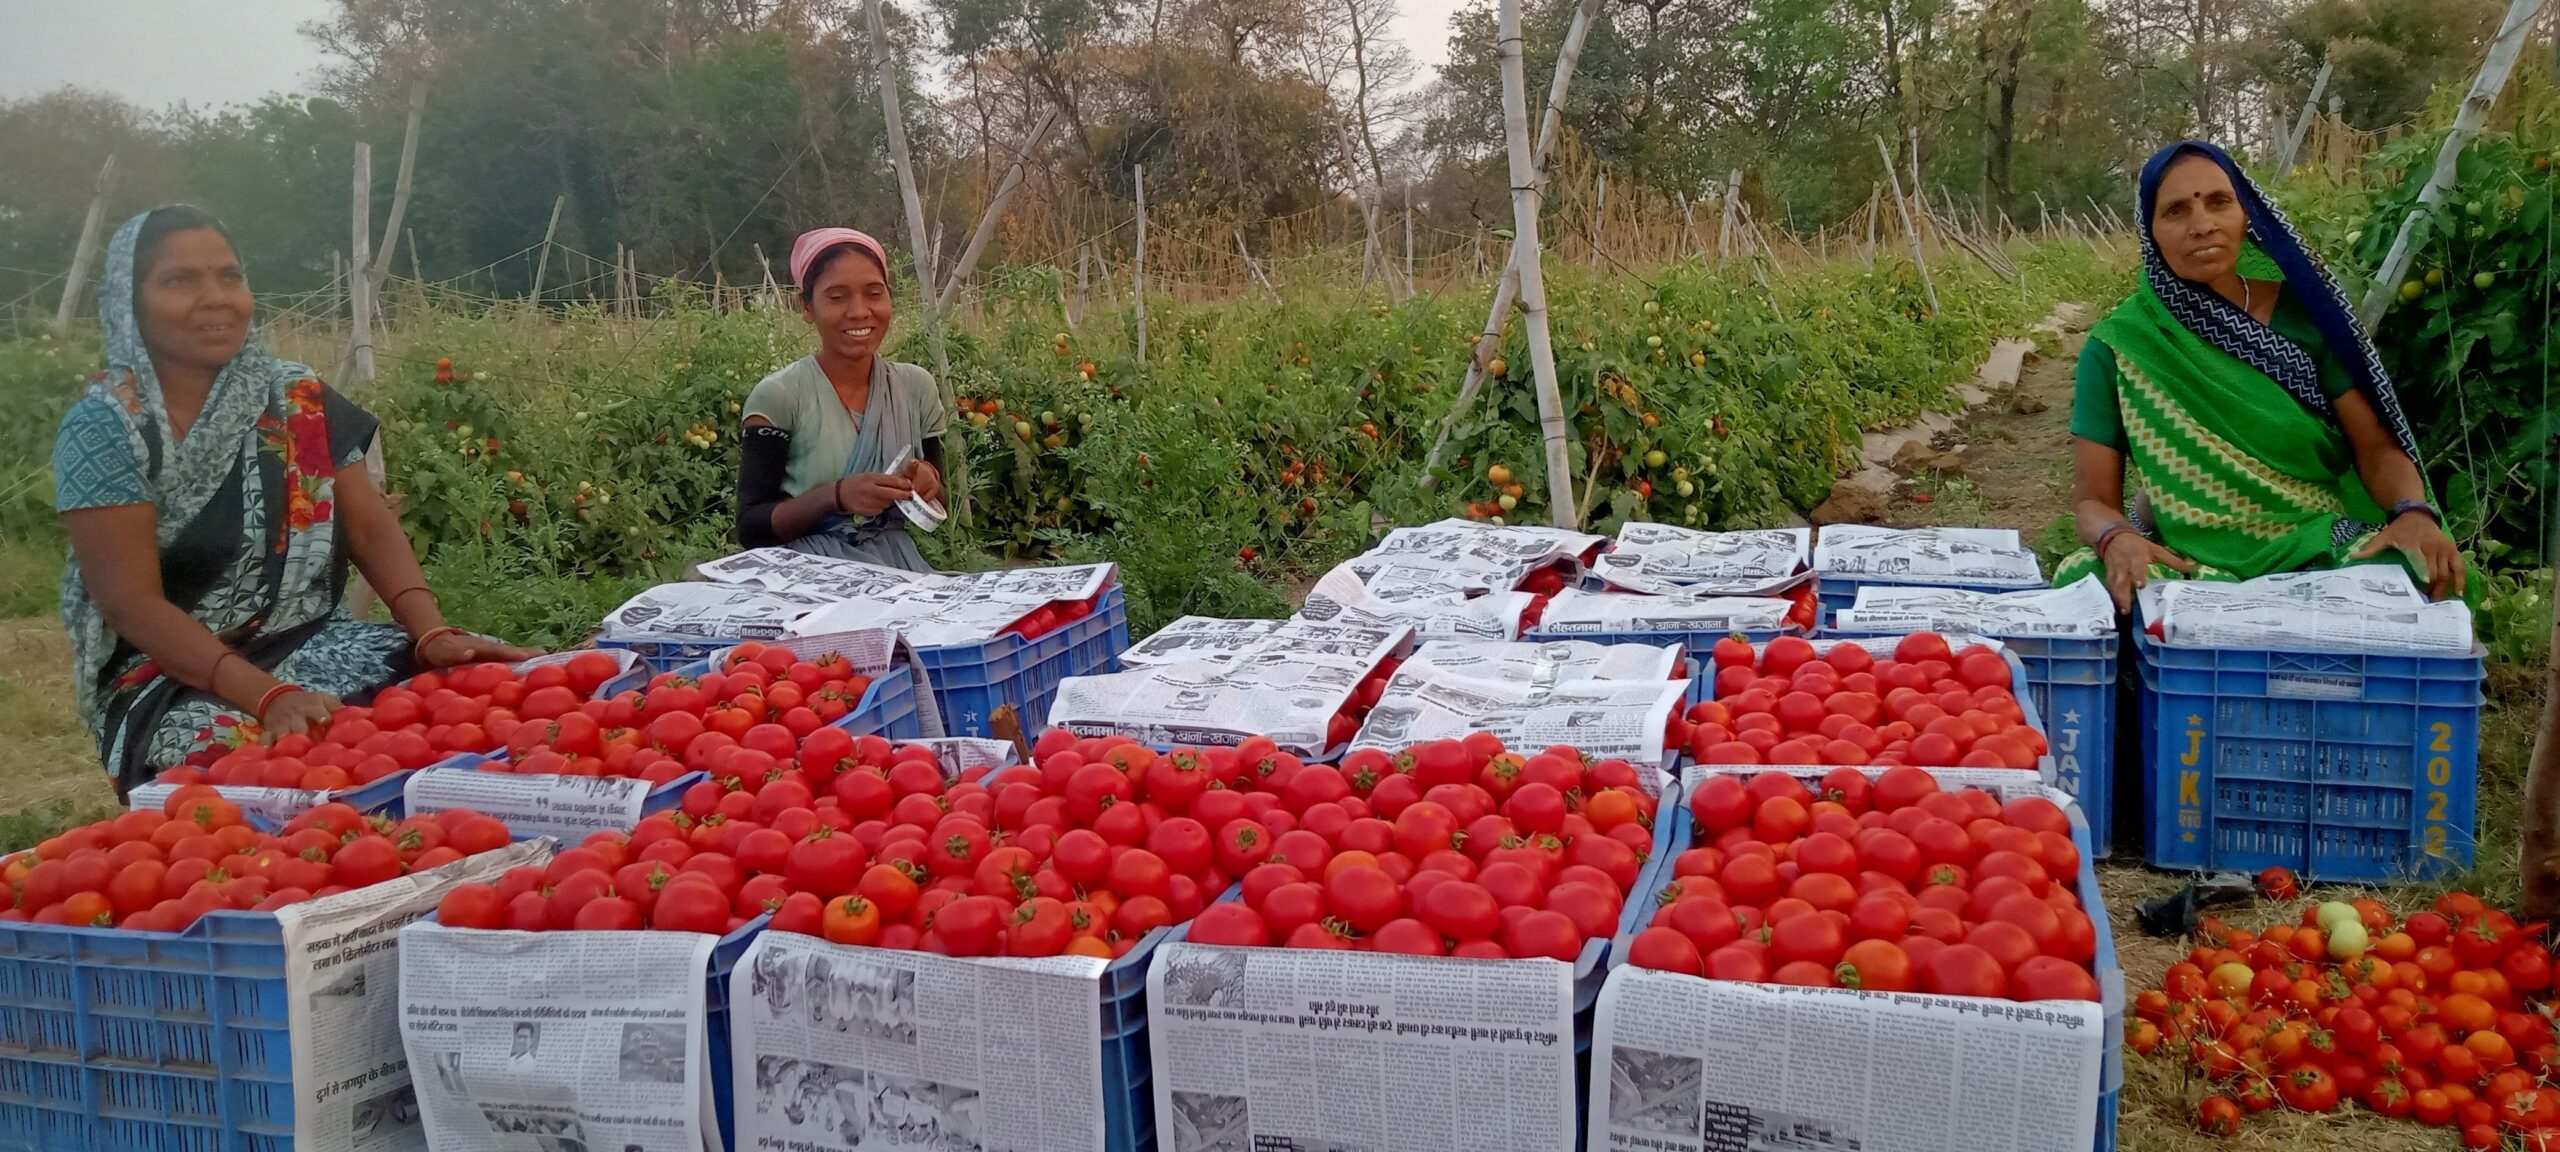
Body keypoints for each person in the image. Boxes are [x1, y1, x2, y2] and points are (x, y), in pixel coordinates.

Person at [53, 206, 534, 791]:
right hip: (174, 677)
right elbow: (130, 603)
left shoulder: (294, 397)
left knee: (485, 693)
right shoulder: (106, 429)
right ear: (128, 301)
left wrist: (431, 631)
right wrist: (269, 695)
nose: (215, 298)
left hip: (311, 640)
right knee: (259, 765)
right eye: (180, 280)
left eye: (229, 276)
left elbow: (369, 528)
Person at [2060, 140, 2464, 611]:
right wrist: (2116, 536)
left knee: (2410, 572)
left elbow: (2375, 449)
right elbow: (2093, 501)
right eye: (2175, 210)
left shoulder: (2308, 318)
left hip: (2315, 546)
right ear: (2150, 231)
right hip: (2190, 561)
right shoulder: (2120, 344)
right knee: (2085, 576)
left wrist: (2411, 512)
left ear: (2246, 214)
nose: (2202, 224)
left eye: (2219, 202)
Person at [734, 227, 948, 571]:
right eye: (837, 297)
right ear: (806, 306)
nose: (859, 311)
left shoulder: (915, 387)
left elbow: (941, 500)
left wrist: (927, 481)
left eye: (874, 293)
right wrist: (836, 496)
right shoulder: (781, 396)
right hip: (804, 574)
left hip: (897, 568)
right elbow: (751, 528)